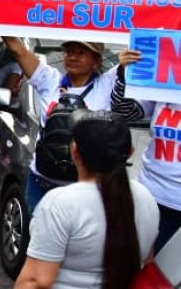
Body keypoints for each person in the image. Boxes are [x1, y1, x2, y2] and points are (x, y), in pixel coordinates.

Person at [16, 113, 159, 289]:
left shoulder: (60, 204)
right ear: (130, 152)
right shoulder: (147, 198)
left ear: (74, 151)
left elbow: (35, 281)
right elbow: (147, 263)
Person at [1, 36, 138, 212]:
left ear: (96, 62)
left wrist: (126, 62)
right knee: (38, 228)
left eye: (80, 53)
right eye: (69, 52)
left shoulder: (107, 83)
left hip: (86, 191)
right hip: (42, 185)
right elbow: (17, 50)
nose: (72, 57)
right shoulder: (50, 80)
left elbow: (139, 56)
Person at [119, 49, 181, 252]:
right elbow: (125, 113)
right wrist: (124, 75)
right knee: (141, 264)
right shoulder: (163, 82)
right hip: (152, 198)